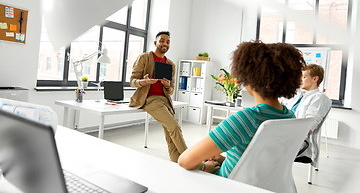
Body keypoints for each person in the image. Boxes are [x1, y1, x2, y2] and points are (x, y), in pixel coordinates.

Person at [178, 41, 306, 177]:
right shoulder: (289, 117)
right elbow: (262, 160)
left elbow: (185, 161)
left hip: (226, 185)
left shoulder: (246, 119)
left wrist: (205, 167)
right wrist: (224, 160)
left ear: (251, 77)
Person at [129, 31, 187, 162]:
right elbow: (132, 81)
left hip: (165, 100)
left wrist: (167, 86)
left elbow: (171, 90)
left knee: (170, 133)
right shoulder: (144, 58)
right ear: (155, 42)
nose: (165, 44)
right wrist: (144, 82)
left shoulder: (171, 64)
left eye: (167, 42)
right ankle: (192, 160)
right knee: (175, 127)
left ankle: (177, 162)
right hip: (150, 99)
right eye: (162, 41)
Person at [286, 63, 331, 165]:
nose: (300, 80)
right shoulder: (299, 96)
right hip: (286, 133)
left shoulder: (319, 98)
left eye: (304, 77)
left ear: (315, 79)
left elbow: (309, 126)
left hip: (299, 141)